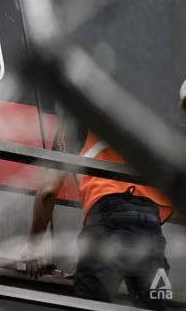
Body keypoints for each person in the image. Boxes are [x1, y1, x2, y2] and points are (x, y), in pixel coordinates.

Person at [24, 106, 172, 310]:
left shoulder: (75, 121)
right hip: (151, 228)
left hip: (107, 221)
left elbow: (48, 191)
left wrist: (34, 244)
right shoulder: (146, 126)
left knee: (91, 305)